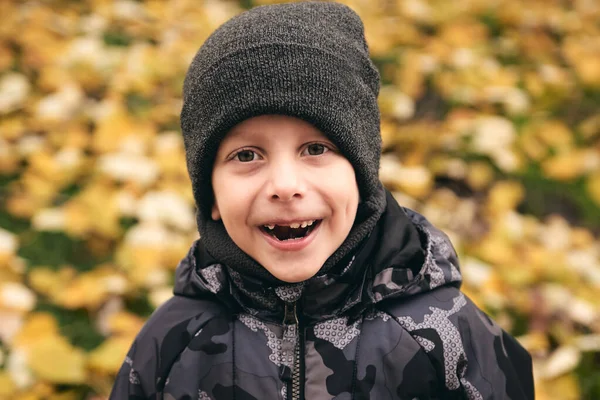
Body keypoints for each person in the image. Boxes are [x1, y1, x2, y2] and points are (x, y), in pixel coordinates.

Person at [110, 2, 535, 399]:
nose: (285, 185)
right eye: (246, 156)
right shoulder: (172, 344)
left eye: (316, 149)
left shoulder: (445, 335)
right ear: (211, 196)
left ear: (362, 175)